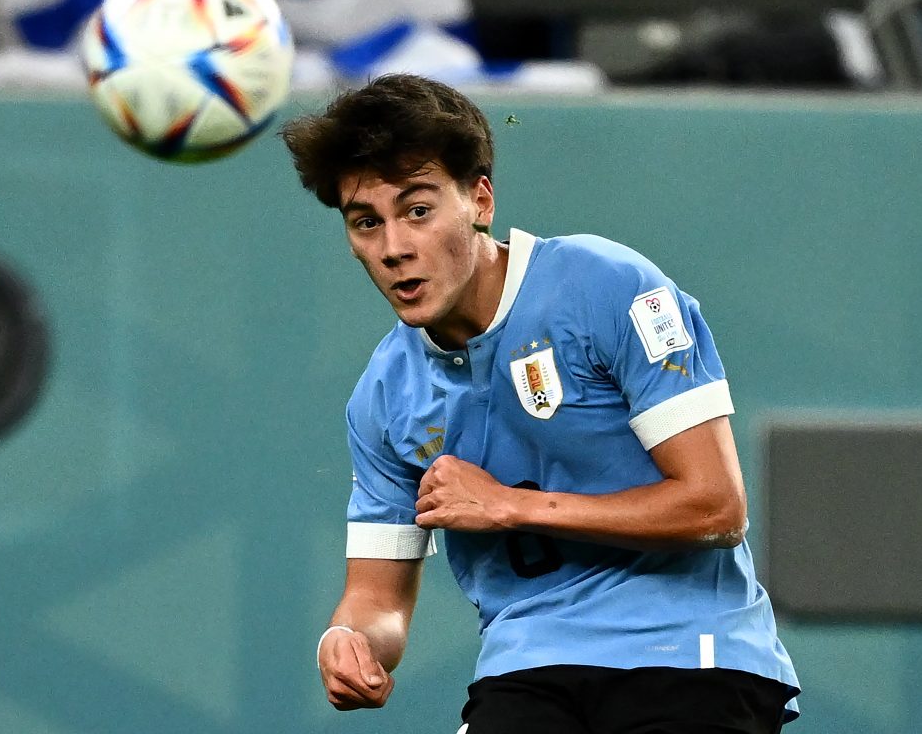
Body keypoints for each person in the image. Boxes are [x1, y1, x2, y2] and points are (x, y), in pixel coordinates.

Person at [281, 73, 801, 733]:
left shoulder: (607, 286)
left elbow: (716, 506)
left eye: (417, 210)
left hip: (689, 653)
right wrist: (349, 641)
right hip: (527, 670)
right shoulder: (384, 396)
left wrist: (511, 506)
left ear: (479, 199)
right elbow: (376, 601)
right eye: (365, 223)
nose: (393, 249)